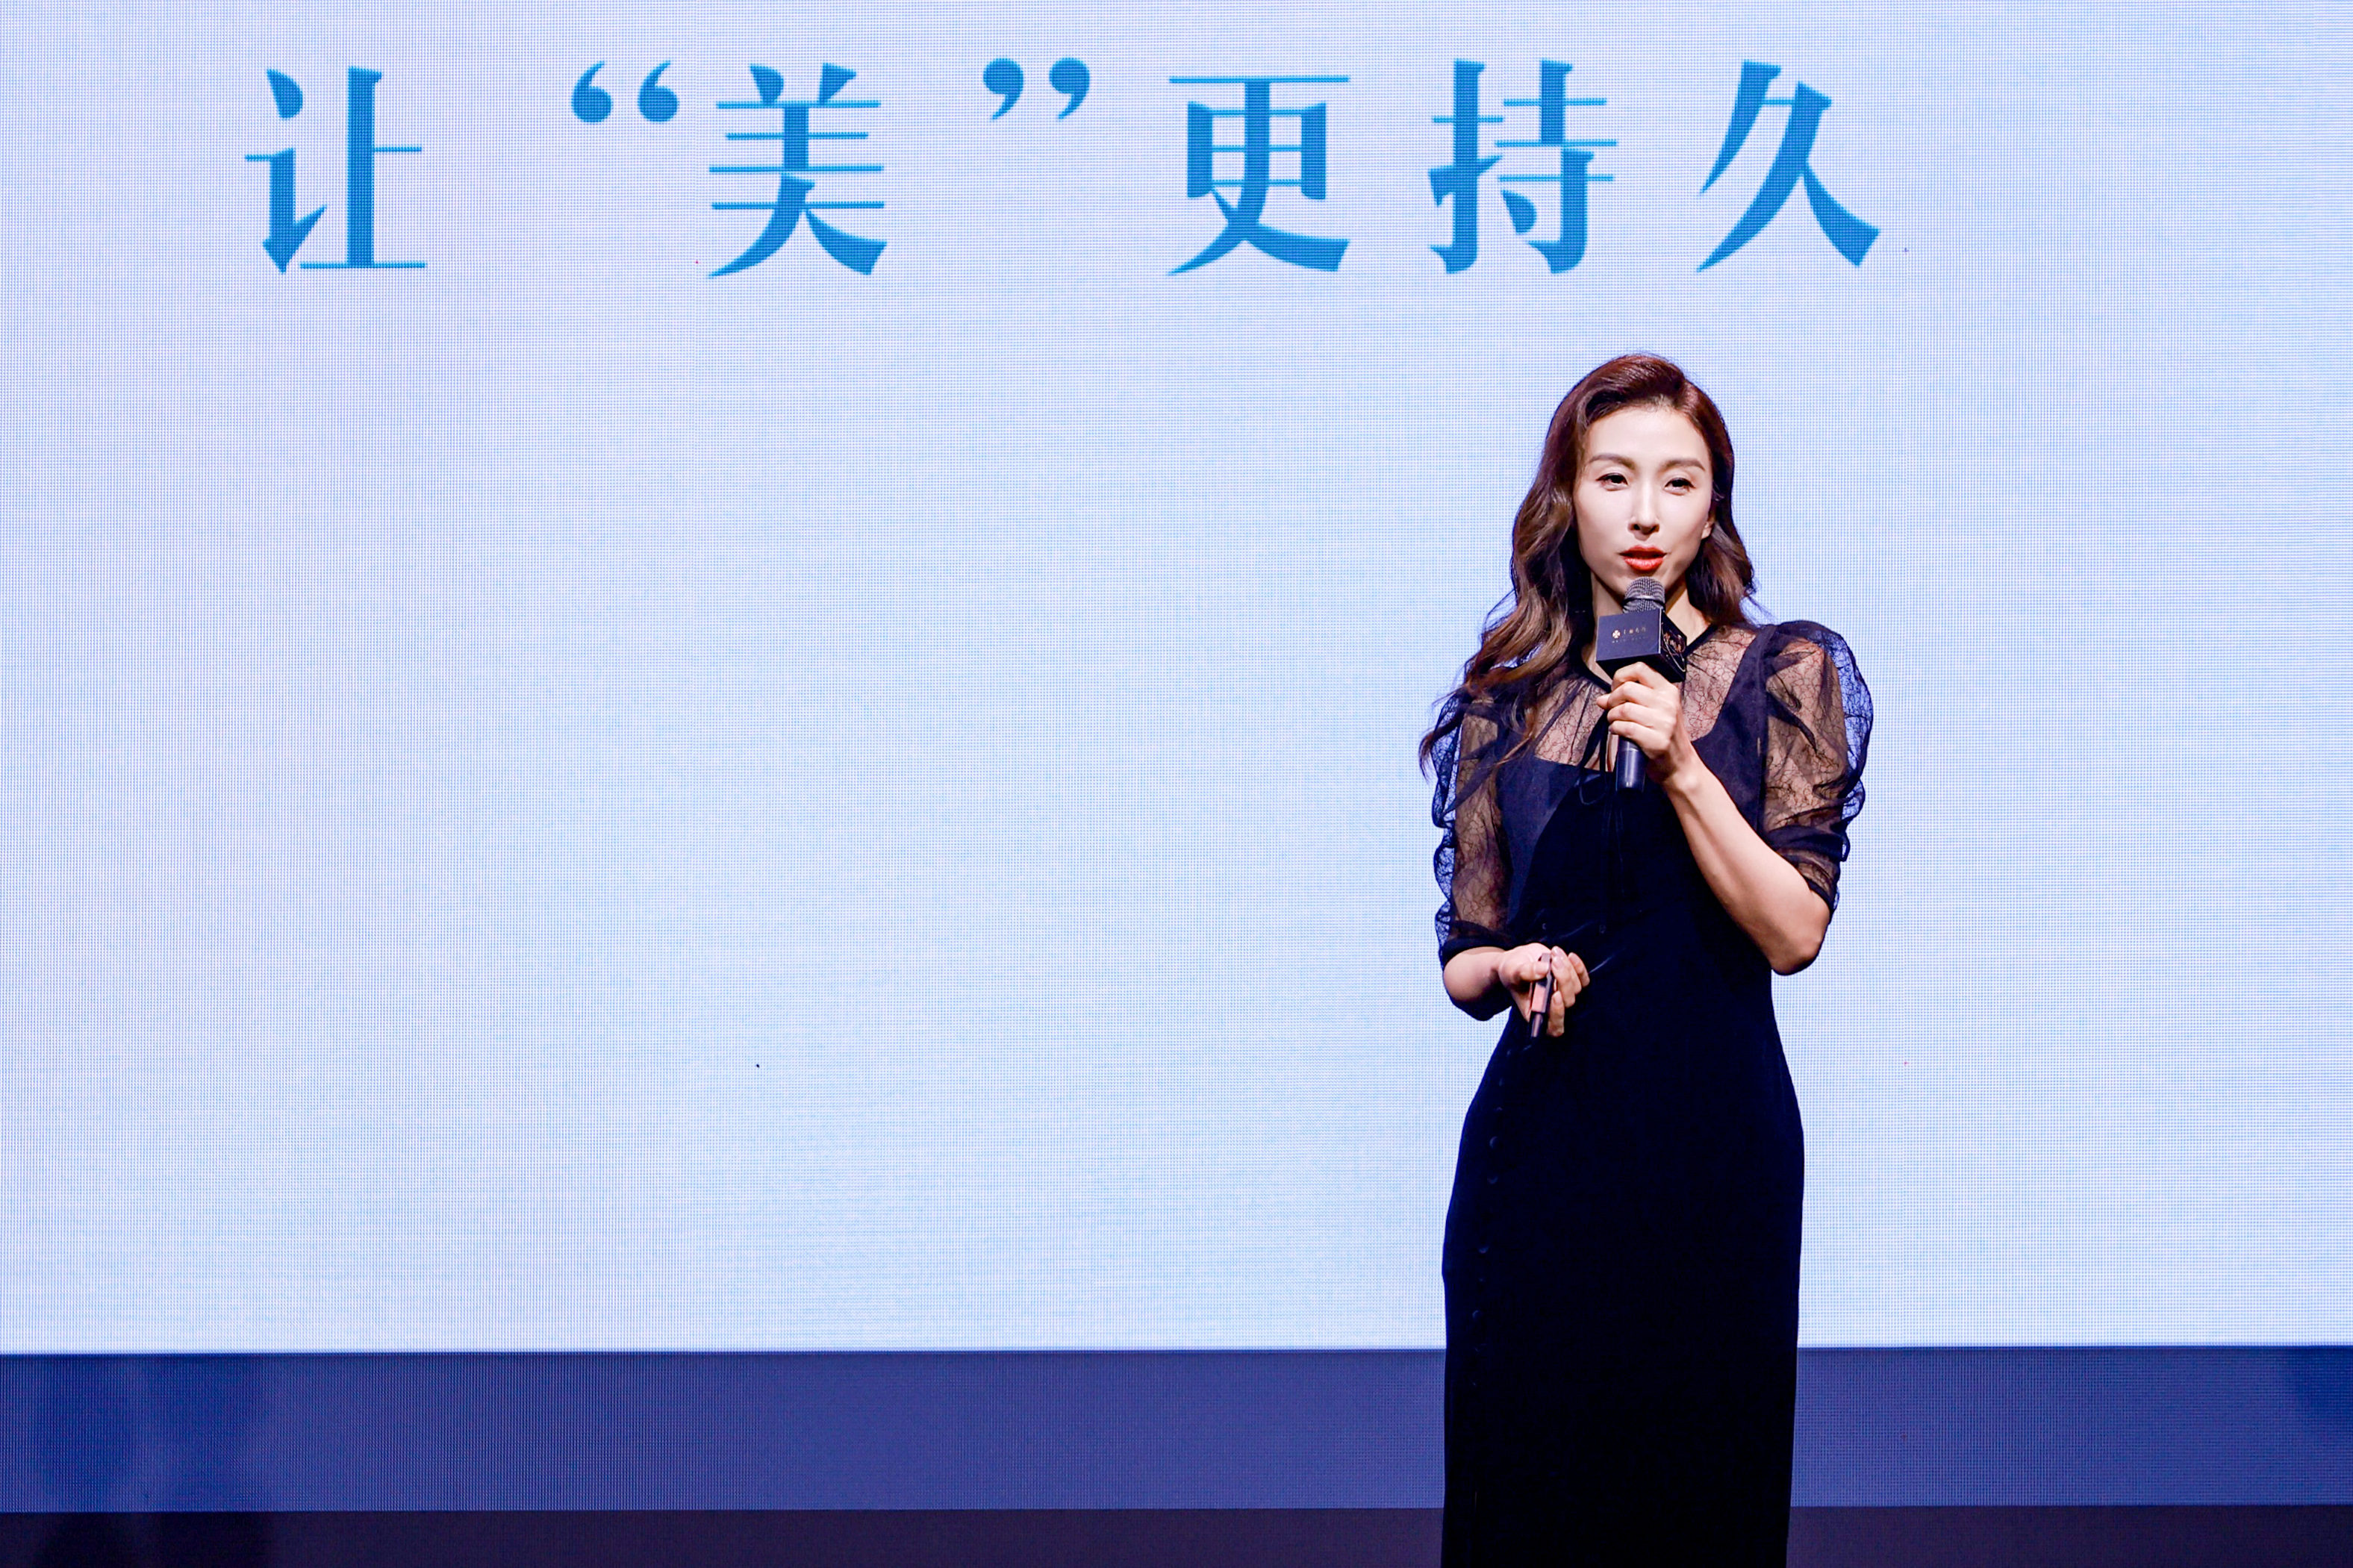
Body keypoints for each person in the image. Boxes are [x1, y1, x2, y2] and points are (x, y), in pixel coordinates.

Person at [1423, 353, 1871, 1564]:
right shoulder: (1506, 699)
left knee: (1699, 1493)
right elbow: (1465, 953)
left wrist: (1677, 762)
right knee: (1531, 1504)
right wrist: (1512, 965)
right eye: (1614, 477)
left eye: (1679, 482)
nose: (1646, 513)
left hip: (1711, 1152)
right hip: (1542, 1156)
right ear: (1566, 496)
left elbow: (1794, 931)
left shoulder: (1784, 672)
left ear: (1712, 506)